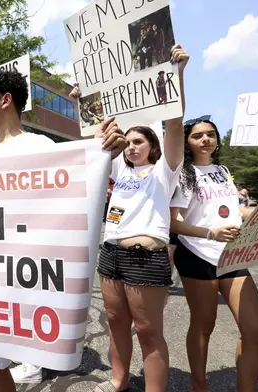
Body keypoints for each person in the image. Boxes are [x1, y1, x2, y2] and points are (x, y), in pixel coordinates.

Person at [0, 70, 127, 391]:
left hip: (17, 274)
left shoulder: (39, 145)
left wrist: (101, 152)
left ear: (6, 100)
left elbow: (71, 183)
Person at [94, 44, 189, 392]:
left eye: (139, 141)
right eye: (128, 142)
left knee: (149, 332)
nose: (131, 146)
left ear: (153, 144)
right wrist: (80, 100)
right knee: (116, 323)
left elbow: (175, 125)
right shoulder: (118, 167)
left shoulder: (166, 171)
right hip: (110, 256)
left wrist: (177, 76)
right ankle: (118, 381)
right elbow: (99, 131)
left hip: (145, 259)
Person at [170, 118, 258, 392]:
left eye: (211, 134)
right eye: (198, 135)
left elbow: (235, 210)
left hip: (233, 256)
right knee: (204, 325)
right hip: (197, 254)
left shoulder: (225, 170)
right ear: (187, 141)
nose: (205, 139)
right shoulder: (183, 173)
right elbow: (173, 223)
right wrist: (210, 234)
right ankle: (198, 384)